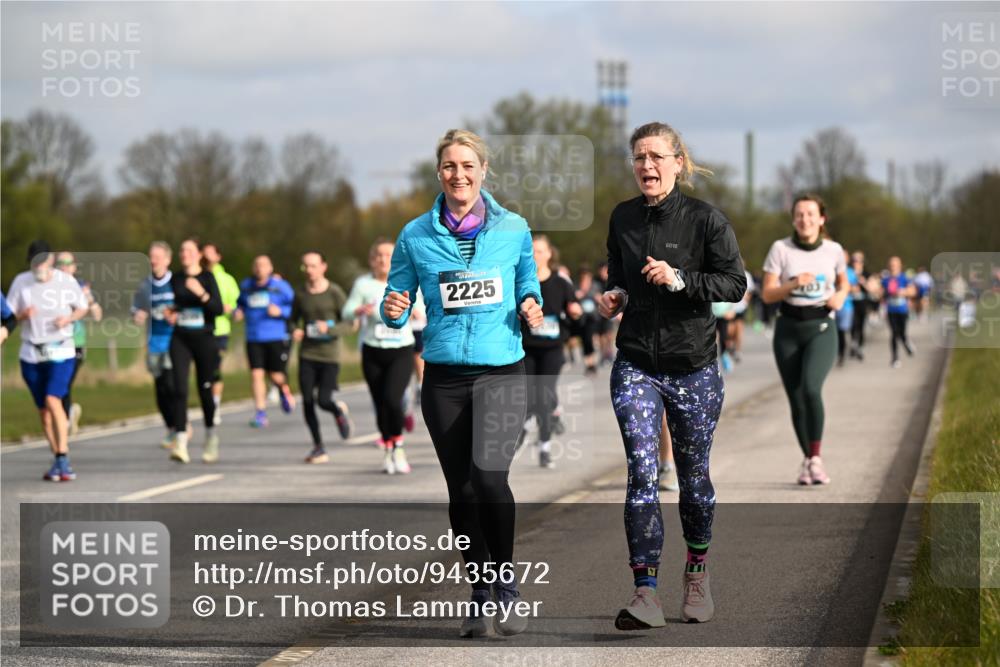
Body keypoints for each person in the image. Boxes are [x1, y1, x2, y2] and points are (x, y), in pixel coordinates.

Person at [381, 129, 543, 637]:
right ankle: (478, 593)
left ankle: (507, 587)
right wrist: (393, 310)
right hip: (445, 377)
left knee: (490, 479)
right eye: (450, 166)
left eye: (468, 165)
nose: (459, 174)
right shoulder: (414, 235)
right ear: (439, 173)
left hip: (501, 370)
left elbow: (527, 285)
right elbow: (397, 298)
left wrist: (532, 305)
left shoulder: (513, 228)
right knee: (462, 491)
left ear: (483, 171)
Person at [599, 122, 746, 630]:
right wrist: (614, 295)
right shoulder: (622, 217)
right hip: (637, 362)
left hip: (694, 367)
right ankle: (645, 593)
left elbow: (735, 284)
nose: (647, 166)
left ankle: (697, 572)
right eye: (639, 157)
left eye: (657, 156)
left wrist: (681, 278)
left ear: (678, 162)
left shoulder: (706, 220)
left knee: (694, 482)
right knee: (641, 473)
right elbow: (617, 272)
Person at [761, 194, 850, 487]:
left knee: (811, 388)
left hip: (821, 327)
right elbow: (767, 294)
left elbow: (843, 281)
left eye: (811, 214)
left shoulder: (833, 250)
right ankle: (810, 461)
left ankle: (816, 457)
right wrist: (792, 284)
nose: (805, 219)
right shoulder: (780, 249)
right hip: (787, 329)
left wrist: (839, 296)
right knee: (796, 400)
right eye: (800, 214)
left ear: (822, 219)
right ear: (793, 219)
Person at [7, 243, 89, 481]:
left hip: (61, 350)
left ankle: (63, 457)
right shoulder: (21, 282)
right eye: (35, 263)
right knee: (43, 412)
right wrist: (24, 315)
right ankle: (57, 459)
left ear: (50, 261)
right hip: (31, 354)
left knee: (53, 399)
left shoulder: (65, 281)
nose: (39, 268)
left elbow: (82, 308)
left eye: (43, 262)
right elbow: (9, 315)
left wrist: (68, 318)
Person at [343, 238, 418, 475]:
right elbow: (346, 311)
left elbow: (426, 310)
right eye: (379, 256)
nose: (384, 260)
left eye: (388, 255)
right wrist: (357, 310)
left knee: (393, 400)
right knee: (380, 403)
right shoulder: (363, 284)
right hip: (373, 350)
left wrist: (416, 311)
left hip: (401, 350)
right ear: (372, 260)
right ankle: (387, 448)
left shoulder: (408, 279)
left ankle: (398, 445)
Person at [518, 234, 582, 468]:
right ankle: (528, 422)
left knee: (543, 394)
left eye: (540, 251)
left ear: (549, 254)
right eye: (532, 251)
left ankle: (544, 446)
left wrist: (575, 311)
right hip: (526, 348)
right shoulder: (521, 281)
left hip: (553, 348)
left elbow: (573, 308)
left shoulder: (560, 281)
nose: (536, 255)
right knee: (529, 395)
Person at [290, 250, 356, 463]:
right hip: (307, 354)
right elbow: (291, 320)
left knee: (323, 400)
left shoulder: (335, 292)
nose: (309, 270)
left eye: (313, 266)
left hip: (329, 356)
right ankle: (318, 447)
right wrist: (294, 330)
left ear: (323, 267)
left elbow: (350, 323)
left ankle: (337, 411)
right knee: (307, 401)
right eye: (305, 266)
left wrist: (328, 330)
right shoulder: (300, 293)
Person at [165, 239, 224, 464]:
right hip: (180, 337)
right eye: (182, 250)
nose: (185, 254)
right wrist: (172, 312)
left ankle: (210, 435)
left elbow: (217, 309)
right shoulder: (177, 279)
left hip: (205, 339)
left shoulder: (208, 278)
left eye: (189, 250)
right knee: (178, 387)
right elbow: (178, 305)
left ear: (199, 254)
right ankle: (180, 441)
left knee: (204, 389)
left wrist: (201, 293)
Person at [131, 241, 183, 449]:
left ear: (168, 260)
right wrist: (138, 315)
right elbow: (134, 310)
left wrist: (176, 315)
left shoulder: (177, 283)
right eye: (151, 257)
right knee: (160, 390)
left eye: (158, 257)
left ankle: (180, 425)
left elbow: (187, 308)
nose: (153, 261)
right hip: (154, 343)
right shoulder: (145, 286)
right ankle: (171, 427)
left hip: (175, 340)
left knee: (172, 385)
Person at [236, 255, 296, 428]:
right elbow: (240, 304)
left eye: (263, 265)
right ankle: (260, 413)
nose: (259, 268)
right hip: (253, 337)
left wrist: (281, 311)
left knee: (276, 375)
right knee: (256, 374)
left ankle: (283, 390)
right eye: (256, 265)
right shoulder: (247, 286)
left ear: (270, 268)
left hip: (275, 336)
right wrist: (238, 312)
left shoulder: (280, 286)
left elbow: (295, 307)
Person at [54, 251, 103, 435]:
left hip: (76, 342)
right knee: (58, 383)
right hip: (56, 343)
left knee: (64, 381)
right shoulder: (50, 286)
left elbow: (97, 316)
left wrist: (88, 299)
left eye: (68, 263)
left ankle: (66, 419)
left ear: (74, 267)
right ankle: (68, 414)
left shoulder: (81, 286)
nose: (64, 266)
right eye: (60, 262)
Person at [202, 242, 240, 425]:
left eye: (211, 254)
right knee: (204, 370)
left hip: (220, 330)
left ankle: (214, 405)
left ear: (218, 257)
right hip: (199, 329)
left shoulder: (226, 279)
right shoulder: (197, 277)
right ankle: (208, 402)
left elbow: (236, 305)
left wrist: (230, 309)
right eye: (205, 254)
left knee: (215, 368)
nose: (207, 258)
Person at [883, 256, 917, 368]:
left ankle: (906, 344)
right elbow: (880, 293)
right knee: (894, 333)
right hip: (891, 310)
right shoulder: (886, 279)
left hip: (902, 310)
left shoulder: (904, 278)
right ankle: (895, 358)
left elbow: (913, 291)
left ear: (900, 265)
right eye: (891, 265)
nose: (893, 267)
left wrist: (903, 292)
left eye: (895, 264)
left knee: (902, 333)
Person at [835, 250, 858, 367]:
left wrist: (845, 287)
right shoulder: (832, 270)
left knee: (843, 331)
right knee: (835, 332)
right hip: (833, 306)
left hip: (846, 306)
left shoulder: (850, 272)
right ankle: (838, 353)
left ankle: (842, 354)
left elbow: (856, 289)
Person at [848, 251, 871, 360]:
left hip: (862, 303)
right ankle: (853, 344)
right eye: (854, 261)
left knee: (861, 326)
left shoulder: (866, 273)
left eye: (858, 261)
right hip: (851, 302)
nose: (856, 263)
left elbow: (872, 289)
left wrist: (863, 282)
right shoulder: (848, 272)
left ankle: (860, 347)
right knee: (853, 325)